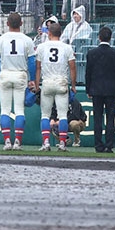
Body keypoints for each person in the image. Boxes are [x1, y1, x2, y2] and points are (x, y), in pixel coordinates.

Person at [0, 12, 35, 151]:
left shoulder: (0, 39)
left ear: (7, 23)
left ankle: (7, 142)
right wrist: (33, 79)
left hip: (5, 73)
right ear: (21, 24)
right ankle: (17, 141)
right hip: (20, 74)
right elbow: (32, 62)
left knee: (5, 110)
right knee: (19, 110)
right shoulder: (27, 40)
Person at [35, 22, 76, 151]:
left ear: (49, 33)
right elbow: (73, 68)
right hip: (61, 82)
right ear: (61, 33)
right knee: (62, 115)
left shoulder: (41, 47)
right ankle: (62, 144)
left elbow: (38, 68)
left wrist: (37, 85)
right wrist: (73, 85)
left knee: (45, 115)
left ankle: (46, 143)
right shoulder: (67, 47)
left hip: (47, 82)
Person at [85, 26, 115, 153]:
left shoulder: (92, 53)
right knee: (110, 118)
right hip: (112, 90)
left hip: (96, 90)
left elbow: (88, 73)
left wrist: (88, 89)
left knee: (98, 118)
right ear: (110, 38)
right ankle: (109, 145)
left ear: (99, 37)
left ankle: (98, 145)